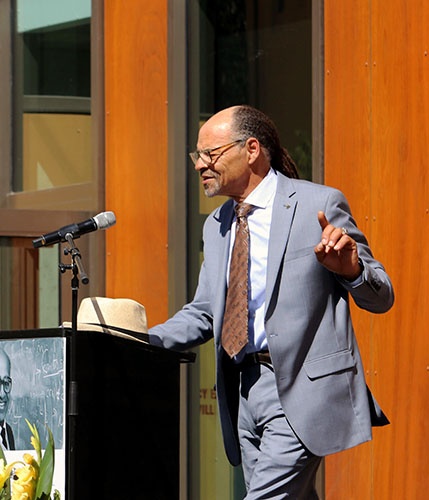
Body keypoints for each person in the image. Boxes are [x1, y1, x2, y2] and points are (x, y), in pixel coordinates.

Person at [148, 105, 394, 498]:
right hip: (243, 391)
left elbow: (382, 296)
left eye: (210, 154)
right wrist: (141, 342)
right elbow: (205, 312)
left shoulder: (320, 204)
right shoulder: (217, 225)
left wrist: (350, 271)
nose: (200, 165)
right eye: (198, 155)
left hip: (300, 388)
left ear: (250, 149)